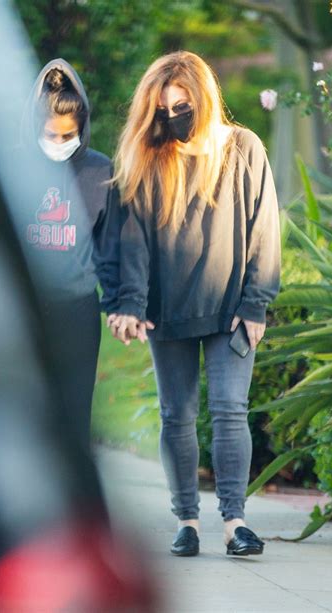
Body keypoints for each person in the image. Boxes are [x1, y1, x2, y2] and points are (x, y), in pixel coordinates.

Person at [110, 51, 281, 557]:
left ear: (203, 98)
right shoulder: (152, 155)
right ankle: (187, 520)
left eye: (182, 105)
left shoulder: (243, 147)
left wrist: (256, 304)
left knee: (231, 411)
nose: (172, 116)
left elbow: (264, 229)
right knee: (176, 417)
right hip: (167, 310)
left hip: (231, 309)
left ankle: (235, 524)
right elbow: (135, 240)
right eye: (163, 109)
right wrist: (132, 303)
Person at [17, 58, 121, 451]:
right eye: (50, 135)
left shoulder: (99, 171)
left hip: (77, 309)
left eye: (68, 135)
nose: (59, 143)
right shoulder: (13, 166)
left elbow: (111, 246)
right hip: (24, 305)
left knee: (74, 411)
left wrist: (120, 303)